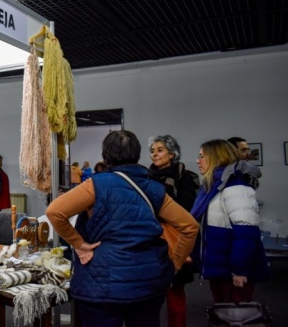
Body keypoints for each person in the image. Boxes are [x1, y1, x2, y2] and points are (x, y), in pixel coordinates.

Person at [46, 130, 198, 327]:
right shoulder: (154, 188)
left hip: (101, 284)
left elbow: (54, 212)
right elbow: (190, 226)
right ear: (137, 154)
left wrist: (79, 244)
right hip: (148, 281)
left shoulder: (96, 184)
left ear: (105, 155)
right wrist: (175, 264)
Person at [191, 139, 269, 303]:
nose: (198, 161)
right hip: (220, 267)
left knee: (238, 316)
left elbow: (246, 233)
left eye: (202, 156)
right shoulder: (213, 186)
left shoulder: (236, 187)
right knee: (222, 314)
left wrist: (239, 270)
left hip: (234, 270)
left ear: (217, 157)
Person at [148, 135, 200, 327]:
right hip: (151, 241)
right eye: (152, 151)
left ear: (172, 154)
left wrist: (162, 208)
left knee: (175, 296)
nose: (155, 154)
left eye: (159, 150)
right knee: (148, 299)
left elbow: (187, 212)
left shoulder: (184, 178)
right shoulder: (147, 176)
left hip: (174, 242)